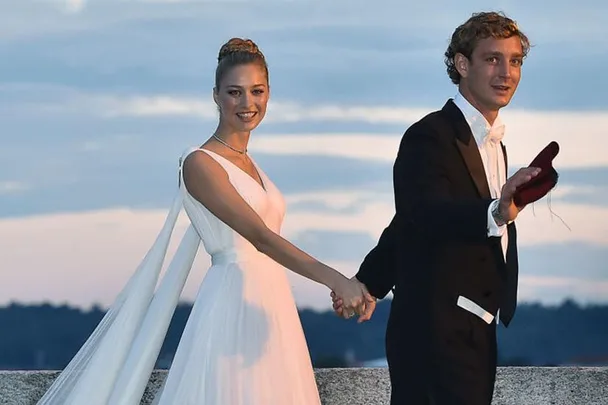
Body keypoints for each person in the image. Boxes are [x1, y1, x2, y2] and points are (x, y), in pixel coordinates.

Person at [36, 38, 372, 405]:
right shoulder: (199, 164)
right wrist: (337, 280)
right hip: (232, 304)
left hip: (273, 308)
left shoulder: (252, 165)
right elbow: (260, 237)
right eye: (234, 92)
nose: (247, 103)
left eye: (256, 91)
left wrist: (343, 288)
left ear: (269, 93)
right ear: (215, 95)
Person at [332, 11, 539, 405]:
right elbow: (426, 212)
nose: (506, 72)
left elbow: (405, 223)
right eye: (492, 58)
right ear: (463, 65)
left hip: (473, 332)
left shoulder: (492, 144)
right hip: (434, 335)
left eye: (515, 61)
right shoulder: (428, 135)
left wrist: (371, 282)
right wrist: (495, 211)